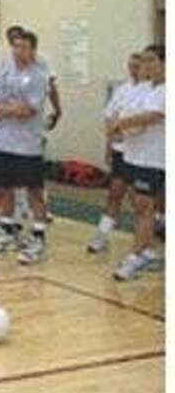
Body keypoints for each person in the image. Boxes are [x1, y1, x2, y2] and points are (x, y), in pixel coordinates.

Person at [0, 31, 51, 264]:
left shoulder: (40, 76)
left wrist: (7, 108)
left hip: (28, 145)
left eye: (23, 47)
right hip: (3, 141)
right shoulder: (6, 70)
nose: (18, 51)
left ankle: (38, 238)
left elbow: (28, 111)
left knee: (34, 192)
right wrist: (11, 107)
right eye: (15, 47)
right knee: (5, 188)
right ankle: (7, 232)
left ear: (33, 50)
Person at [109, 45, 165, 281]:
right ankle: (148, 250)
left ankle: (135, 255)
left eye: (151, 60)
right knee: (141, 207)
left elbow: (151, 116)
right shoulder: (140, 88)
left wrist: (120, 124)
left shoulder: (166, 90)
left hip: (154, 159)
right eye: (143, 61)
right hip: (133, 155)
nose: (145, 65)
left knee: (144, 207)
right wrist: (116, 129)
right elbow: (120, 113)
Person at [87, 52, 145, 253]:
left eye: (137, 66)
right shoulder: (123, 90)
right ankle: (102, 235)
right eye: (131, 65)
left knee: (141, 202)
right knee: (114, 194)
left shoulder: (154, 92)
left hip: (143, 155)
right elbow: (109, 119)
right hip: (121, 152)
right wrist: (109, 146)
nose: (133, 69)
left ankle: (144, 244)